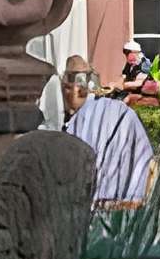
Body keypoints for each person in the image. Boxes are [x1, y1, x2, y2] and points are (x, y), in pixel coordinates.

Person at [63, 65, 154, 209]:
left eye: (67, 88)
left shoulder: (79, 121)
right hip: (129, 206)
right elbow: (149, 165)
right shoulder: (126, 114)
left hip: (93, 207)